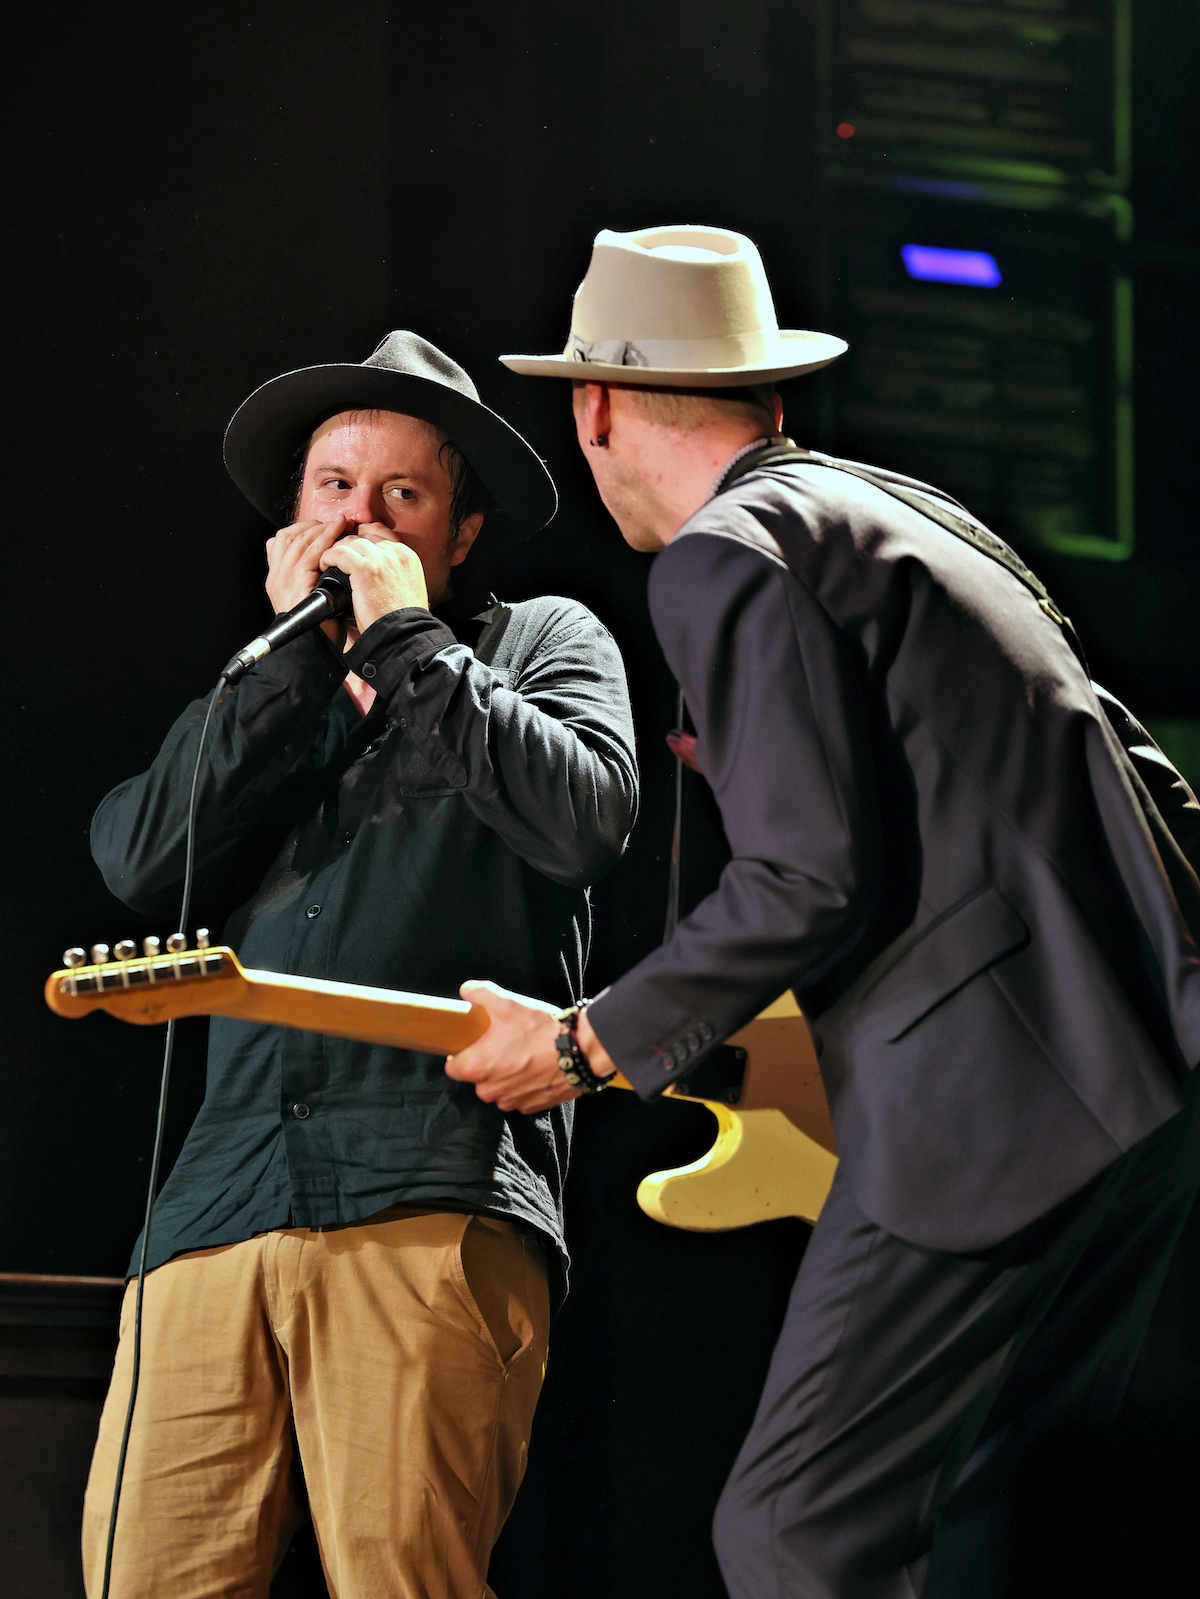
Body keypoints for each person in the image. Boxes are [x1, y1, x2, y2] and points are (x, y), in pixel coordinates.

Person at [446, 227, 1200, 1596]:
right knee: (998, 1523)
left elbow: (805, 878)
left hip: (996, 1101)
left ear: (595, 403)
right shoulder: (895, 517)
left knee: (796, 1528)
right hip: (1143, 1085)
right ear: (768, 393)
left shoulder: (722, 555)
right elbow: (1120, 766)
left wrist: (580, 1043)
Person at [83, 330, 639, 1598]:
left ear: (460, 533)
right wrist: (291, 672)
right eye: (334, 487)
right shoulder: (271, 684)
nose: (359, 520)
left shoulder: (538, 640)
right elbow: (137, 859)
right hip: (216, 1210)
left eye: (403, 495)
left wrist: (404, 644)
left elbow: (584, 817)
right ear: (292, 521)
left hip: (427, 1189)